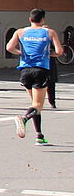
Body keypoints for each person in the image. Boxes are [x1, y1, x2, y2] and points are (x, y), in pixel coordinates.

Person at [6, 8, 64, 145]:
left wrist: (21, 53)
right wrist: (48, 54)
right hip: (40, 70)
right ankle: (24, 118)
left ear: (30, 19)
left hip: (25, 70)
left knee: (35, 105)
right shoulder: (49, 32)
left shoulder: (20, 32)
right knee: (38, 105)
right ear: (43, 19)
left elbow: (9, 47)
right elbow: (59, 51)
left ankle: (39, 135)